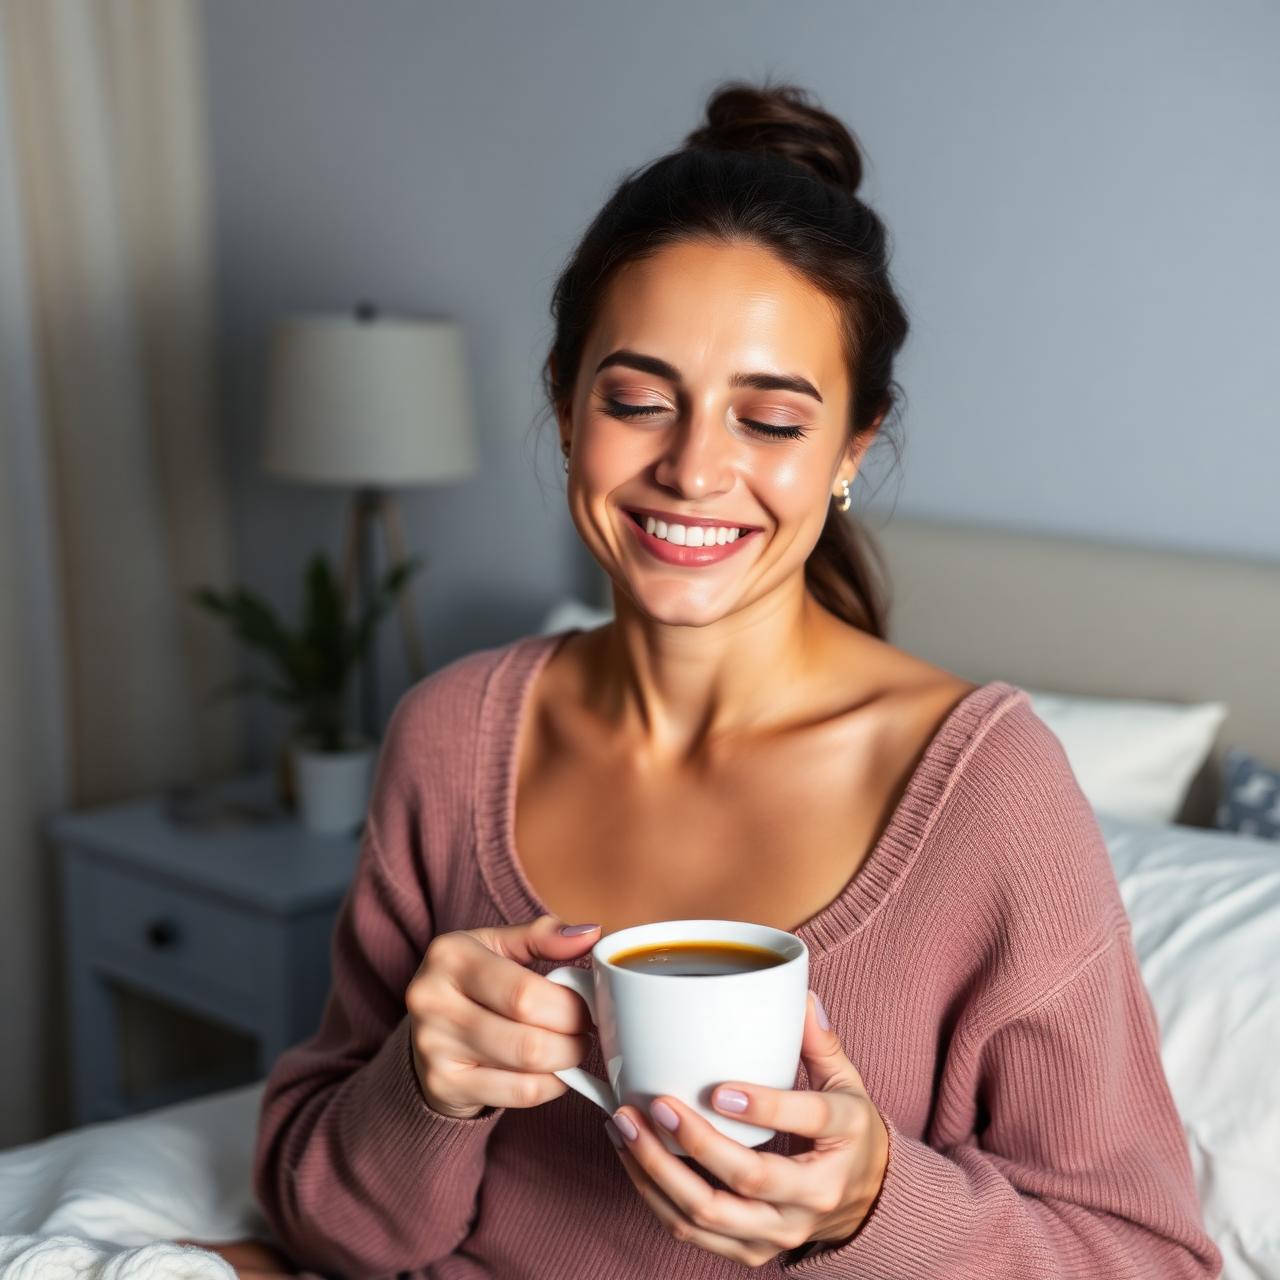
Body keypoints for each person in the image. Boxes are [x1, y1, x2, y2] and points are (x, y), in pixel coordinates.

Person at [249, 80, 1222, 1278]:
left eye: (769, 420)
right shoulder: (449, 736)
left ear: (851, 449)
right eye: (639, 400)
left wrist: (871, 1207)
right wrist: (418, 1085)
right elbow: (330, 1227)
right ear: (564, 404)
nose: (695, 468)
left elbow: (1152, 1259)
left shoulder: (985, 791)